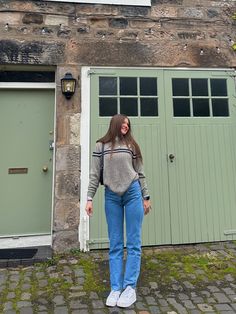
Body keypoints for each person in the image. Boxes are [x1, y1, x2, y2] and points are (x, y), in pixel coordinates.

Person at [85, 114, 151, 308]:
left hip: (133, 193)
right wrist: (89, 198)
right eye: (123, 123)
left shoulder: (132, 146)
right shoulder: (101, 146)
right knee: (115, 243)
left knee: (133, 243)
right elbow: (94, 174)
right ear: (115, 124)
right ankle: (116, 288)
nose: (126, 126)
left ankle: (129, 288)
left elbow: (140, 173)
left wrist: (146, 197)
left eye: (128, 124)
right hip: (111, 196)